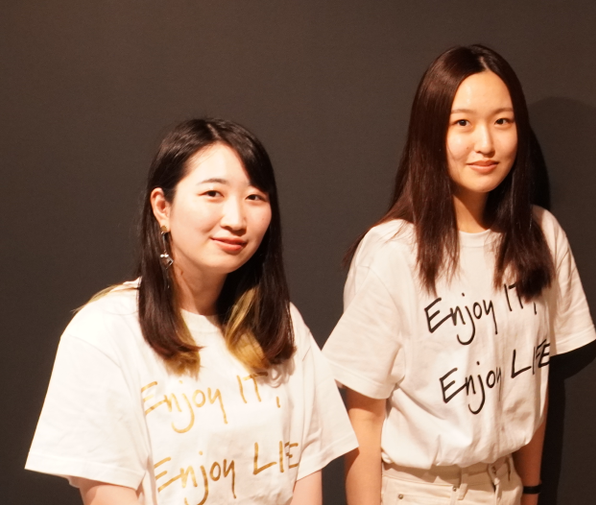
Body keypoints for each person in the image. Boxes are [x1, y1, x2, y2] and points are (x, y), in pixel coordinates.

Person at [26, 118, 357, 504]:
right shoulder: (106, 332)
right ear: (162, 207)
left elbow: (304, 480)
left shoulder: (282, 325)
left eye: (255, 197)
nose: (236, 219)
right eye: (213, 193)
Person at [324, 44, 596, 505]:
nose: (485, 143)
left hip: (506, 486)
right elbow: (364, 418)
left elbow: (533, 378)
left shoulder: (541, 235)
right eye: (463, 123)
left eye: (502, 121)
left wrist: (531, 490)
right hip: (423, 491)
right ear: (431, 133)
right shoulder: (394, 252)